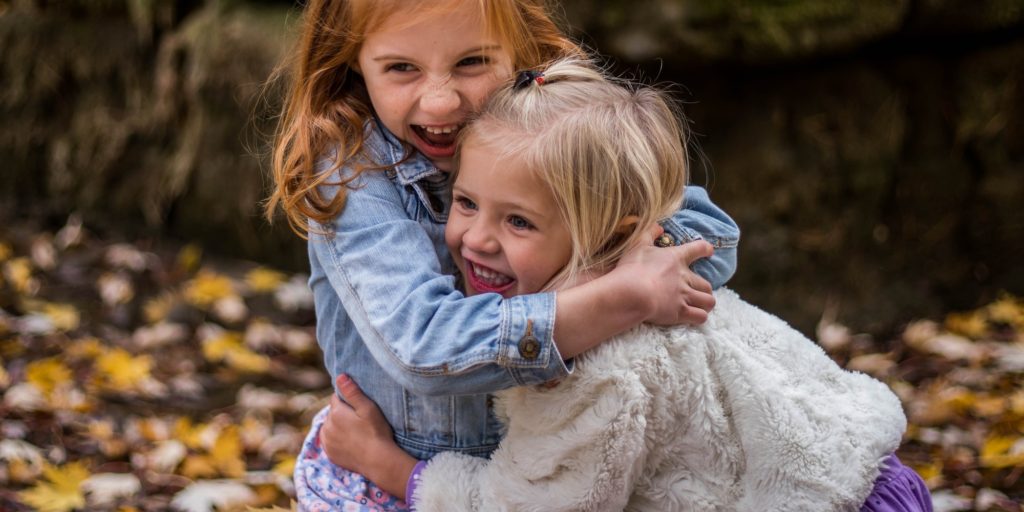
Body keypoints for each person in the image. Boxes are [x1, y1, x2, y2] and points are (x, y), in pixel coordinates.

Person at [321, 58, 934, 511]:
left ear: (613, 232)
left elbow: (527, 508)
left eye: (518, 221)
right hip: (862, 471)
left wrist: (393, 468)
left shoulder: (595, 367)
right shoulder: (657, 274)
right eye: (465, 202)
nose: (477, 239)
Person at [264, 0, 740, 510]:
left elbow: (709, 235)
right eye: (402, 68)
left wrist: (597, 276)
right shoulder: (354, 174)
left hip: (553, 469)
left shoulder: (550, 125)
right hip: (392, 475)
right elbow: (423, 346)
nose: (442, 103)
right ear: (352, 58)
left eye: (472, 63)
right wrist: (616, 298)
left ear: (519, 49)